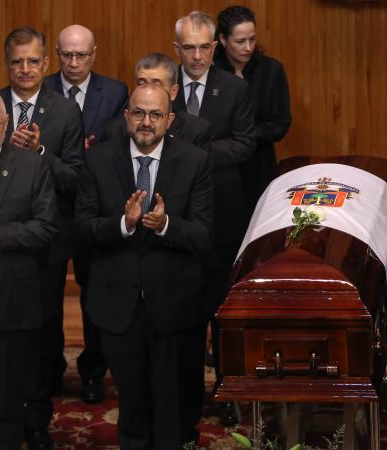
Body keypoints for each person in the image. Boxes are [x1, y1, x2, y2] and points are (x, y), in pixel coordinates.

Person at [74, 84, 213, 450]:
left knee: (171, 402)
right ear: (126, 116)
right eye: (138, 113)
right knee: (132, 402)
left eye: (155, 114)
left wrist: (165, 225)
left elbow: (203, 234)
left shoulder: (195, 160)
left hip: (174, 301)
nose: (146, 122)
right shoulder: (99, 159)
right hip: (118, 303)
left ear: (170, 119)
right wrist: (124, 224)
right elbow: (83, 227)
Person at [0, 27, 84, 449]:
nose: (25, 69)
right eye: (17, 61)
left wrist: (40, 154)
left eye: (33, 61)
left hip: (48, 240)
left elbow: (75, 179)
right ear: (7, 64)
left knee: (43, 330)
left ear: (46, 63)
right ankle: (6, 417)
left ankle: (37, 418)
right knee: (2, 333)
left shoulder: (64, 112)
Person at [172, 10, 256, 430]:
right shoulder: (163, 86)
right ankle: (183, 395)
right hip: (175, 219)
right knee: (183, 315)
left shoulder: (234, 88)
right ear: (177, 49)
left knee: (224, 311)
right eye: (189, 48)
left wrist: (193, 154)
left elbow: (244, 145)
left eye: (204, 47)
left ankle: (227, 390)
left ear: (214, 46)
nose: (197, 56)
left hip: (224, 215)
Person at [0, 89, 57, 449]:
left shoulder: (32, 166)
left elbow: (46, 227)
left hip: (12, 297)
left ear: (6, 123)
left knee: (8, 396)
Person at [44, 23, 128, 406]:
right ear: (57, 55)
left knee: (94, 298)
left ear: (94, 54)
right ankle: (51, 369)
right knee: (46, 299)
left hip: (95, 207)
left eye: (81, 54)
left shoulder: (115, 91)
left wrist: (91, 153)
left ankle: (93, 371)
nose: (74, 62)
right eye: (67, 54)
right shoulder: (42, 89)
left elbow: (120, 142)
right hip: (52, 208)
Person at [214, 4, 292, 216]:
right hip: (221, 168)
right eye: (240, 41)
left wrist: (245, 137)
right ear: (223, 40)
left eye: (252, 39)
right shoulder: (212, 72)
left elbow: (281, 122)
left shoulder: (271, 70)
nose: (248, 47)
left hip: (259, 165)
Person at [105, 52, 212, 151]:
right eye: (141, 83)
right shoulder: (116, 129)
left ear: (173, 92)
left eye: (156, 84)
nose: (149, 90)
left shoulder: (195, 131)